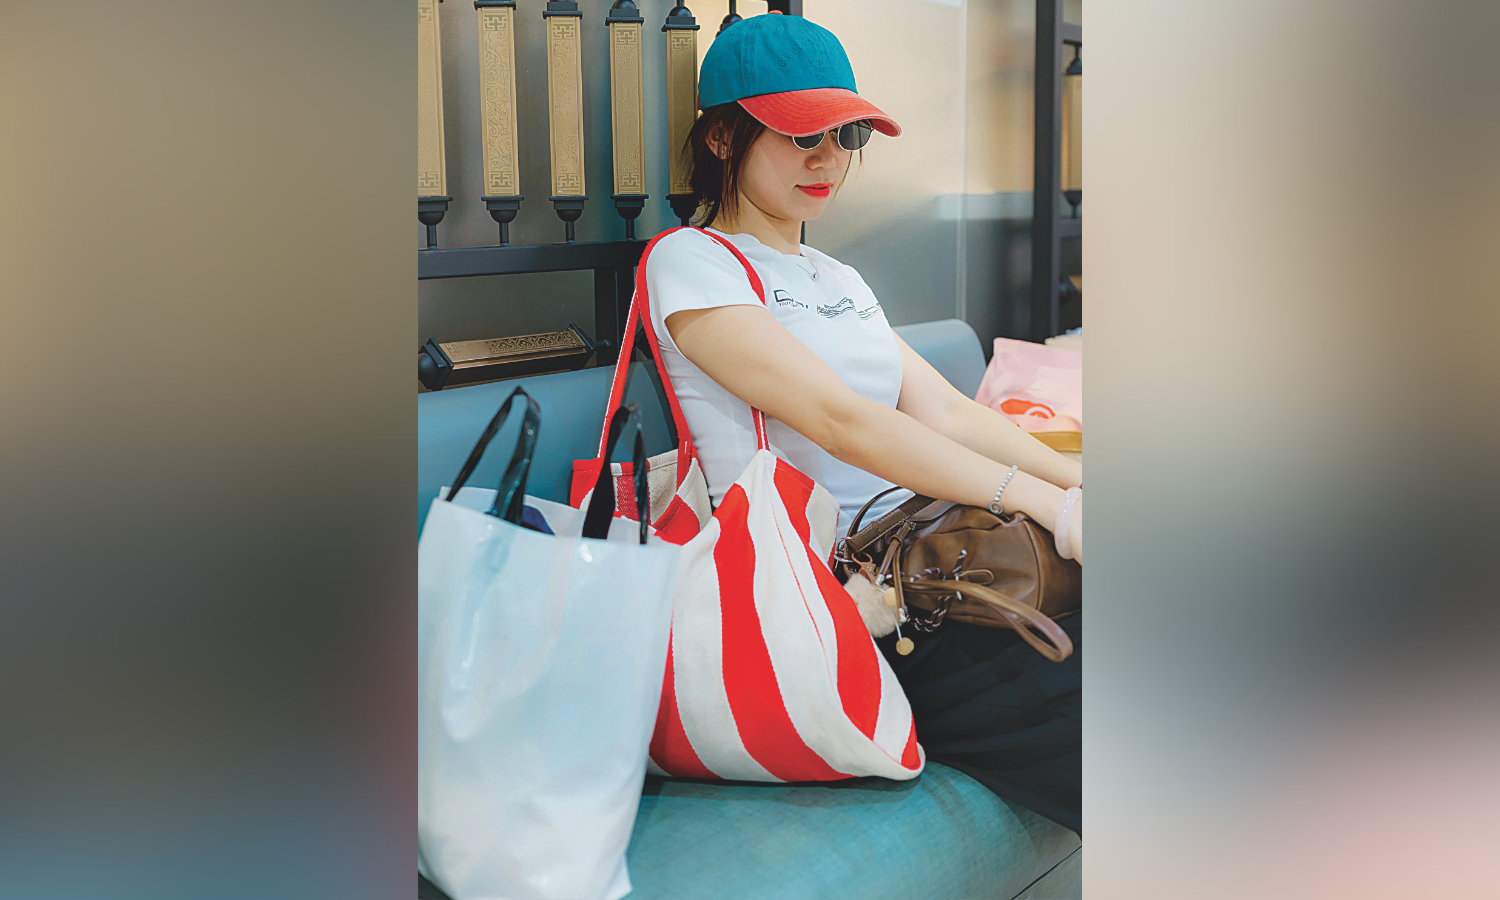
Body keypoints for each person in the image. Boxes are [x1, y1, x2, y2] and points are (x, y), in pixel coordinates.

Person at [644, 13, 1083, 835]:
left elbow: (948, 410)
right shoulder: (689, 262)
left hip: (937, 558)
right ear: (721, 137)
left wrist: (1083, 485)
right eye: (801, 132)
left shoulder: (836, 274)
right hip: (847, 602)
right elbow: (838, 419)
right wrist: (1048, 508)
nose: (830, 158)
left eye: (847, 133)